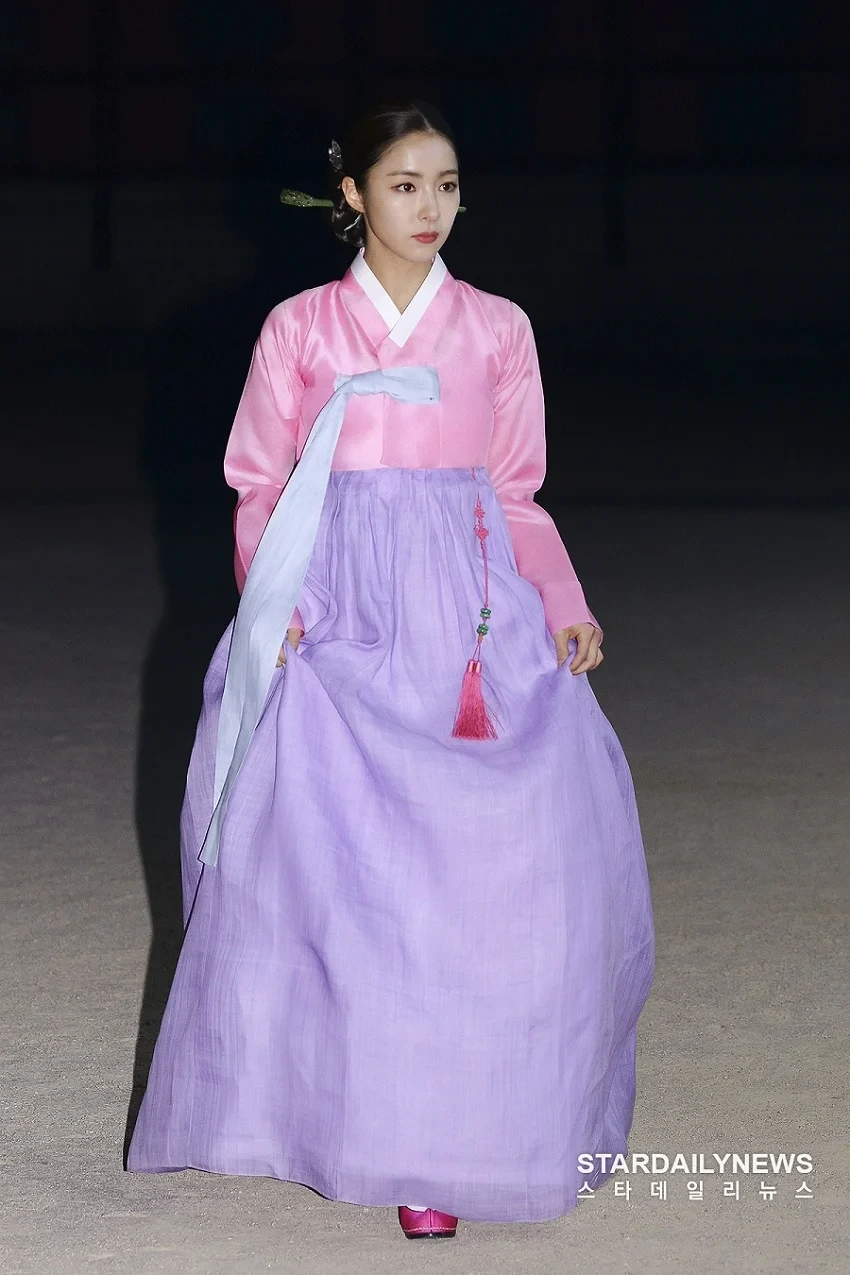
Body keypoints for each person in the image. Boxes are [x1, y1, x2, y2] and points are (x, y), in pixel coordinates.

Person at [126, 99, 655, 1241]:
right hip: (337, 609)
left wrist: (561, 600)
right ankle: (365, 1124)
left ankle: (469, 1127)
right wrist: (278, 601)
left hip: (467, 612)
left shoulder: (496, 328)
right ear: (353, 194)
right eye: (405, 184)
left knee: (488, 870)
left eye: (447, 185)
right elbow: (259, 482)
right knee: (352, 883)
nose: (431, 207)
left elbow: (515, 489)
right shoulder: (301, 329)